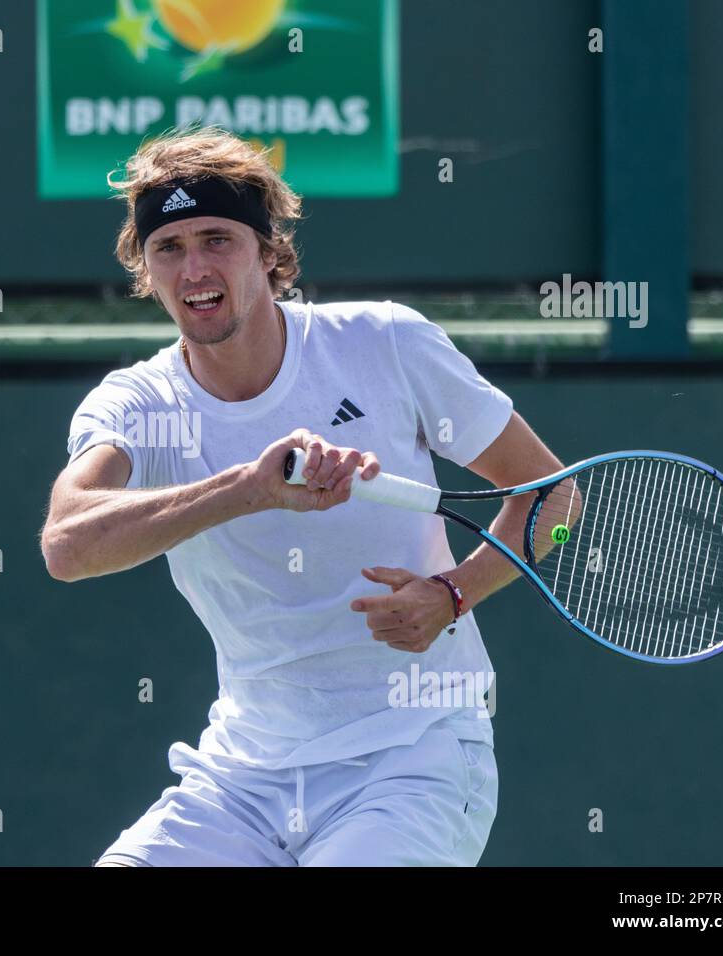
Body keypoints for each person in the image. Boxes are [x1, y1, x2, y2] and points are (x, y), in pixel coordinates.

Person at [40, 126, 563, 866]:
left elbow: (552, 498)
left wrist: (453, 593)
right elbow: (68, 544)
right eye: (169, 247)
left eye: (217, 238)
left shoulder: (385, 344)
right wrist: (248, 490)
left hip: (413, 756)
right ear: (146, 269)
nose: (194, 267)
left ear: (268, 252)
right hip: (240, 780)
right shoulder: (135, 404)